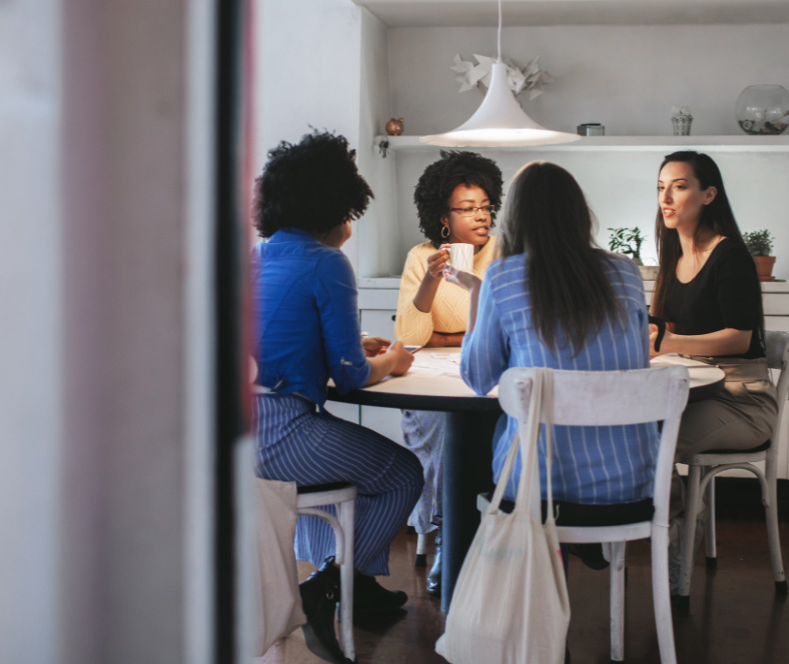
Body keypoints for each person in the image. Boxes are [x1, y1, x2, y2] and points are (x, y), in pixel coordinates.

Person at [252, 131, 422, 664]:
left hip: (233, 432)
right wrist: (391, 361)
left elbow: (289, 343)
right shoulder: (327, 263)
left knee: (353, 467)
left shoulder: (257, 257)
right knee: (401, 473)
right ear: (338, 204)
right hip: (281, 433)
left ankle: (359, 587)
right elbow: (349, 377)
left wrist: (353, 348)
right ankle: (326, 587)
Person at [450, 161, 657, 519]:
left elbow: (478, 378)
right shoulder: (625, 271)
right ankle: (580, 543)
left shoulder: (503, 277)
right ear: (580, 213)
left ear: (514, 218)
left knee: (496, 427)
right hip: (630, 483)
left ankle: (461, 564)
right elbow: (637, 367)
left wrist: (475, 294)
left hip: (539, 488)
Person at [647, 151, 776, 578]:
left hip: (745, 402)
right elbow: (660, 328)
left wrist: (669, 341)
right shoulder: (672, 257)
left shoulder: (731, 256)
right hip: (696, 394)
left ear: (708, 194)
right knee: (640, 430)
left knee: (653, 440)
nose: (666, 197)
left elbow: (739, 340)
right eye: (661, 187)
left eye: (679, 186)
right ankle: (679, 524)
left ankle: (679, 534)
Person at [394, 150, 502, 595]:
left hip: (488, 377)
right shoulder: (422, 258)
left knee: (487, 423)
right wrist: (430, 285)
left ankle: (484, 543)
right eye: (468, 208)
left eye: (485, 205)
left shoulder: (506, 253)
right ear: (444, 217)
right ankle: (444, 540)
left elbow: (502, 330)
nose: (481, 216)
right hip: (436, 381)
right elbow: (412, 337)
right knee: (438, 423)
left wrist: (448, 337)